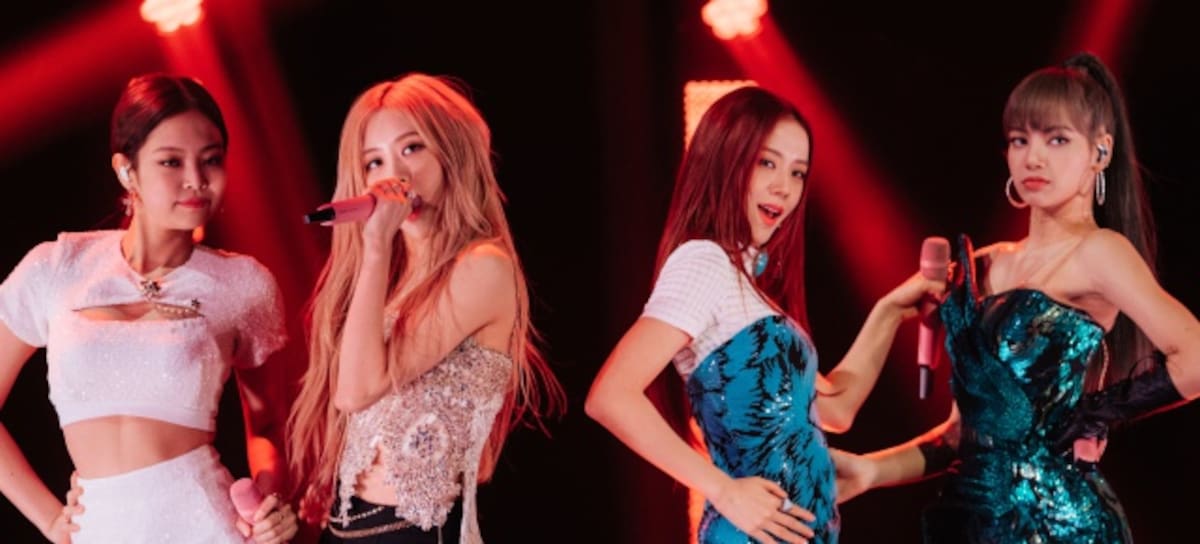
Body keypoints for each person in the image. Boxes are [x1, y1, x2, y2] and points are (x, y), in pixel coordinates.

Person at [833, 52, 1200, 543]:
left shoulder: (1099, 251)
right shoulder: (986, 264)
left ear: (1100, 152)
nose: (1033, 158)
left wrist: (1092, 414)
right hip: (974, 522)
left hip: (1058, 525)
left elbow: (1195, 357)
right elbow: (962, 434)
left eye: (1057, 139)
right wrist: (869, 471)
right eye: (1019, 140)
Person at [584, 86, 945, 544]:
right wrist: (722, 489)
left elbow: (837, 409)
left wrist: (888, 312)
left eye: (798, 172)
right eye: (766, 163)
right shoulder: (704, 263)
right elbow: (611, 395)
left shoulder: (747, 287)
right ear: (723, 159)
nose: (784, 187)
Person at [0, 73, 298, 543]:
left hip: (208, 527)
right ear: (126, 169)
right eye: (171, 161)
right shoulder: (57, 267)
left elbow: (269, 425)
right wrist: (49, 518)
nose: (196, 179)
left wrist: (268, 501)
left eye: (211, 159)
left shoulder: (243, 283)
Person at [286, 73, 563, 543]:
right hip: (347, 528)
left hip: (416, 530)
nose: (393, 176)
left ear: (451, 152)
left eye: (412, 148)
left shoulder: (482, 266)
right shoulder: (395, 279)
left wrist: (376, 247)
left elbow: (357, 391)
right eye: (374, 161)